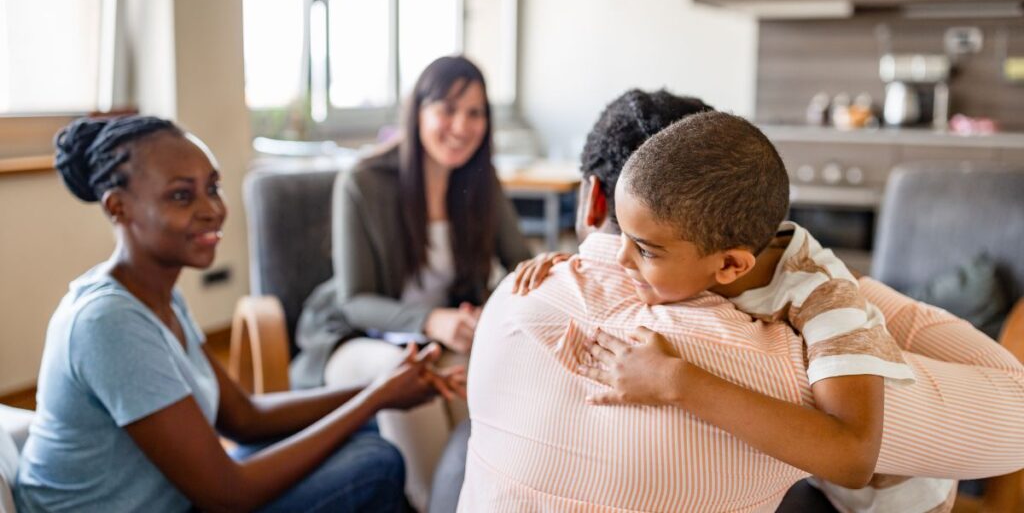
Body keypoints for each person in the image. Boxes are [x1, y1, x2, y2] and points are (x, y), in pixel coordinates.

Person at [459, 90, 1024, 511]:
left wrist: (676, 381)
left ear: (730, 264)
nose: (618, 261)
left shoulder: (828, 308)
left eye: (643, 249)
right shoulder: (692, 272)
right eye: (619, 241)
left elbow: (854, 459)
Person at [16, 115, 465, 513]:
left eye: (212, 187)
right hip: (199, 499)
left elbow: (243, 417)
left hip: (181, 496)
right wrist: (374, 398)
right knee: (375, 464)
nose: (212, 210)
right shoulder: (107, 323)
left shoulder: (158, 296)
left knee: (367, 434)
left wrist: (378, 390)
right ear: (118, 207)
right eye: (181, 196)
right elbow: (229, 496)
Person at [290, 55, 532, 509]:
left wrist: (490, 311)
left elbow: (522, 267)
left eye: (475, 112)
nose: (461, 126)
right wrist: (431, 320)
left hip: (436, 338)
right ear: (417, 111)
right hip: (354, 338)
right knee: (408, 375)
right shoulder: (362, 182)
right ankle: (429, 502)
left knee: (482, 365)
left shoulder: (482, 183)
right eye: (447, 109)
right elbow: (355, 299)